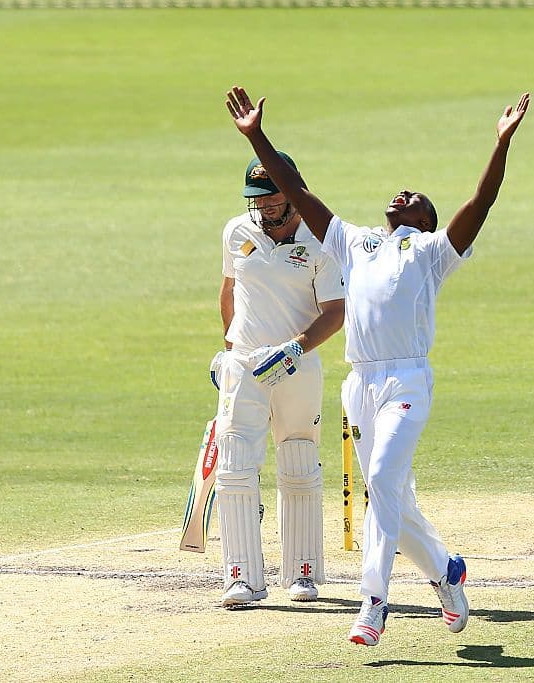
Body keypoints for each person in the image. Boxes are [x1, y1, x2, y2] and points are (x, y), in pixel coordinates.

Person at [226, 85, 530, 645]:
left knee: (385, 481)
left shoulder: (435, 252)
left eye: (416, 197)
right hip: (359, 383)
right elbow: (294, 189)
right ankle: (445, 573)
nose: (404, 193)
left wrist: (501, 144)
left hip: (407, 379)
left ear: (427, 218)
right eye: (401, 193)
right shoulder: (355, 242)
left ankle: (373, 602)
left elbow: (481, 203)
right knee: (388, 495)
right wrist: (257, 137)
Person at [210, 151, 345, 608]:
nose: (265, 208)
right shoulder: (236, 232)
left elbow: (336, 312)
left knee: (300, 463)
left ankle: (302, 572)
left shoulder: (323, 243)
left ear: (292, 193)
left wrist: (294, 349)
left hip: (295, 366)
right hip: (246, 367)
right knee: (233, 468)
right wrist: (229, 354)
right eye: (257, 201)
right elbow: (228, 292)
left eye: (272, 199)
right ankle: (241, 578)